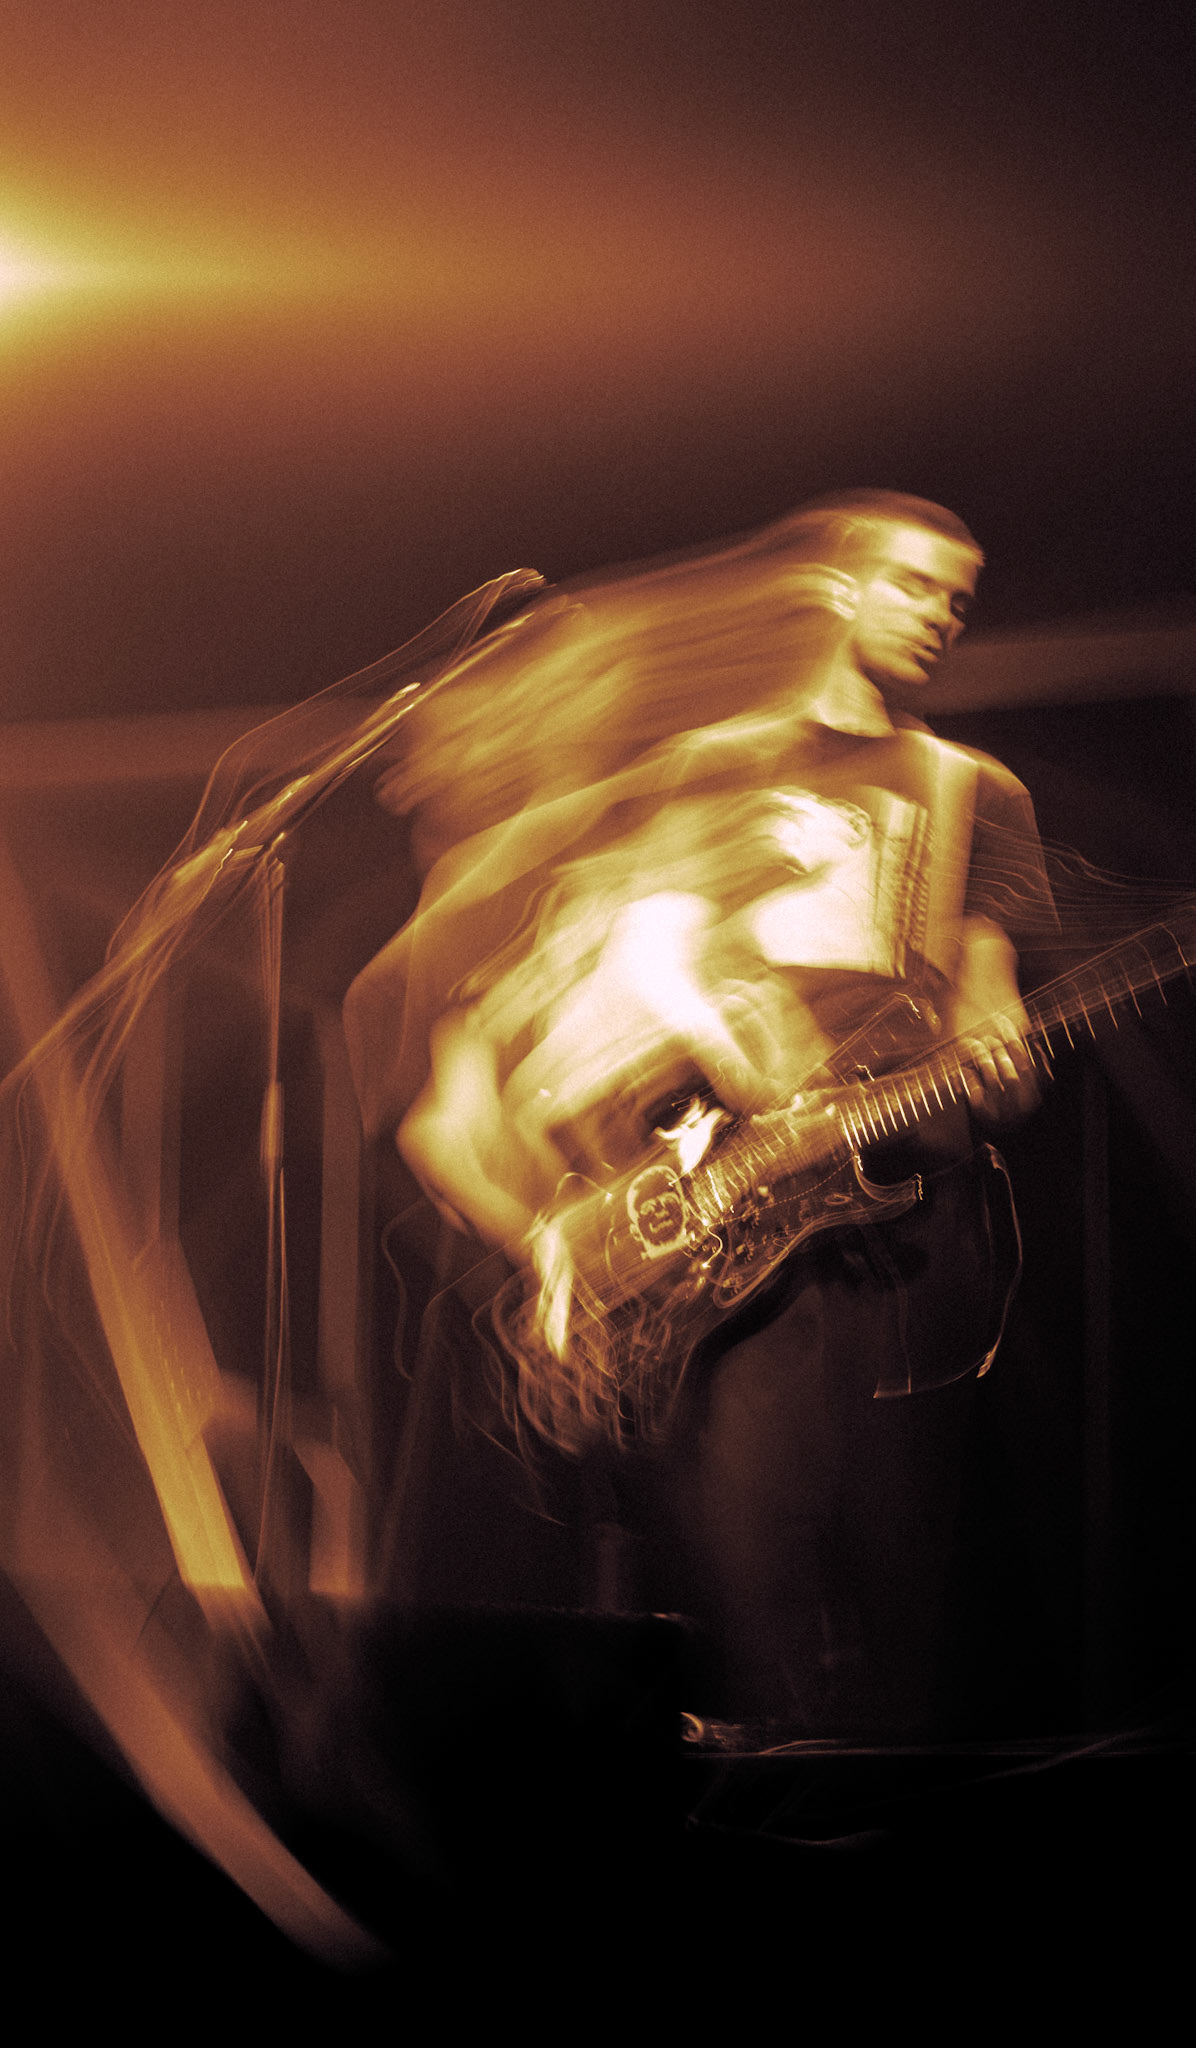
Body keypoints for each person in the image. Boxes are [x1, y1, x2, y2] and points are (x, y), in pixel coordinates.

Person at [344, 490, 1057, 1733]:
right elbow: (627, 972)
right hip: (734, 1237)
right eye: (914, 582)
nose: (941, 615)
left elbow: (995, 1017)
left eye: (960, 597)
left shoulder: (972, 791)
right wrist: (570, 1224)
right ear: (837, 587)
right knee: (741, 1585)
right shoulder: (714, 768)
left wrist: (1003, 1060)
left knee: (906, 1581)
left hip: (906, 1224)